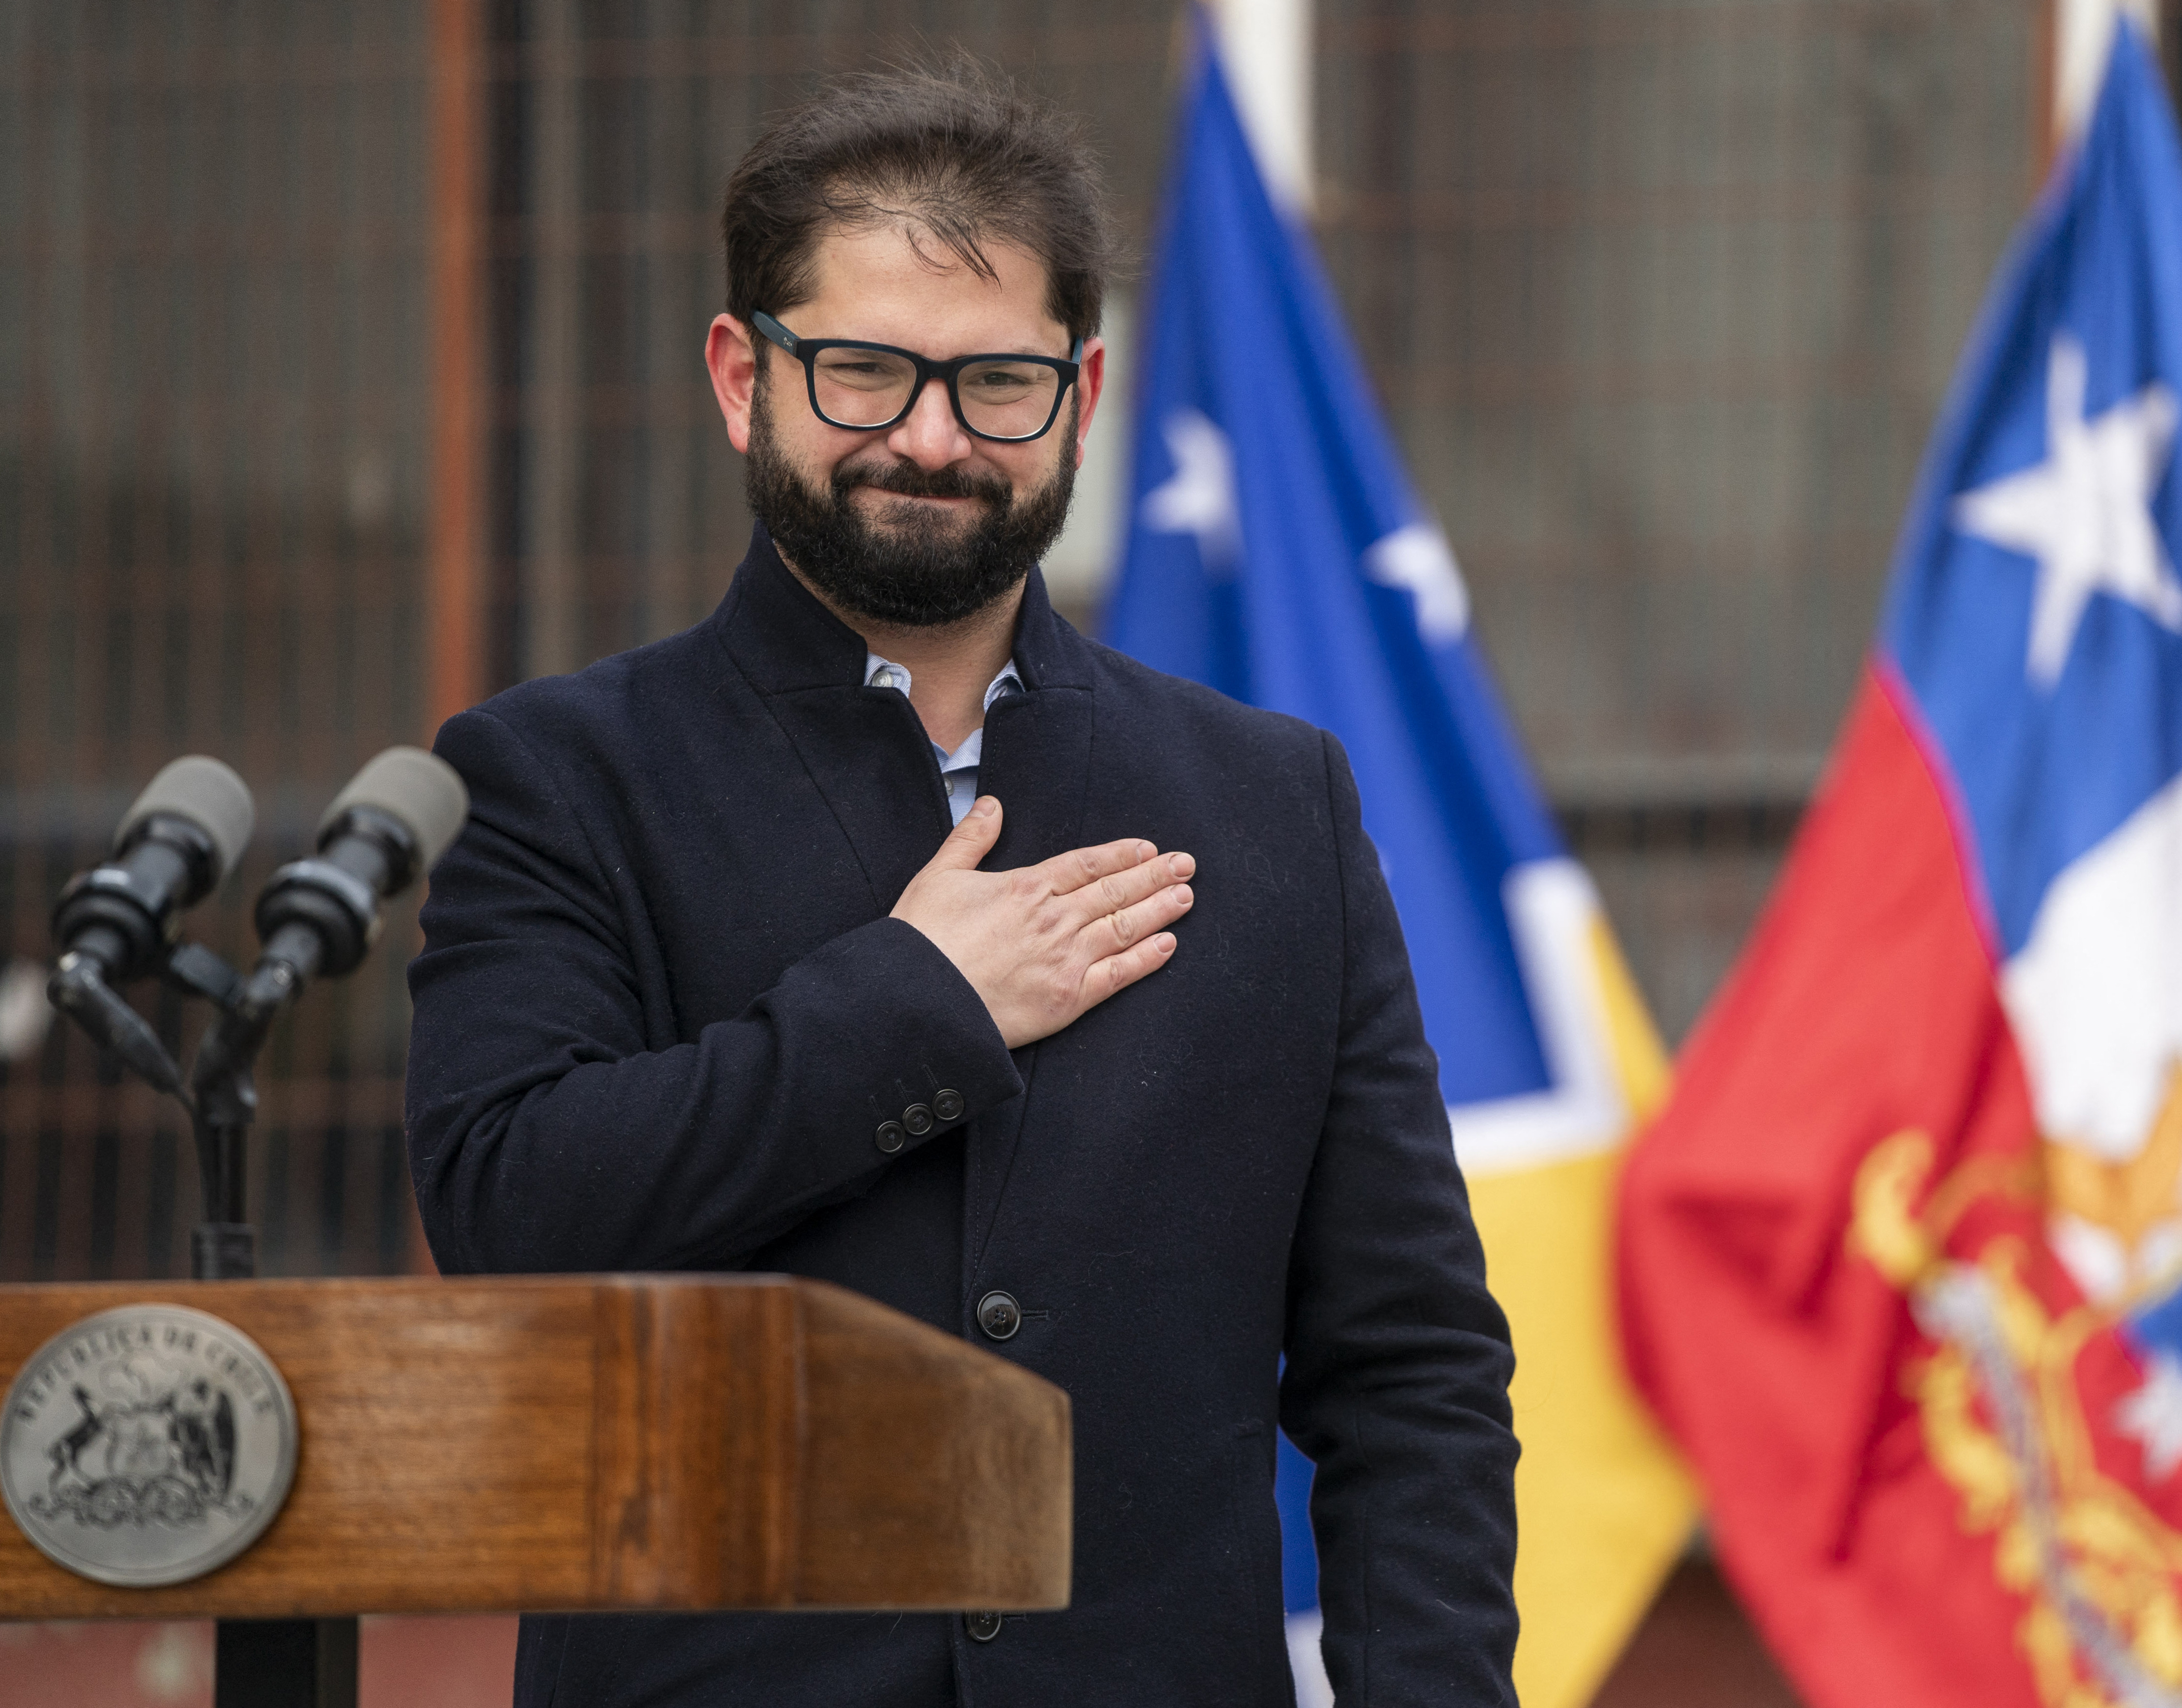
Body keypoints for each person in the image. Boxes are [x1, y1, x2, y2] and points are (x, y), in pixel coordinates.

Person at [403, 63, 1519, 1708]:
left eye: (996, 382)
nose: (930, 439)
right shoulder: (560, 777)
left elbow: (1411, 1369)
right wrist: (914, 1008)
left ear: (1079, 393)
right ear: (742, 375)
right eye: (862, 372)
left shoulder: (1272, 800)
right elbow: (512, 1216)